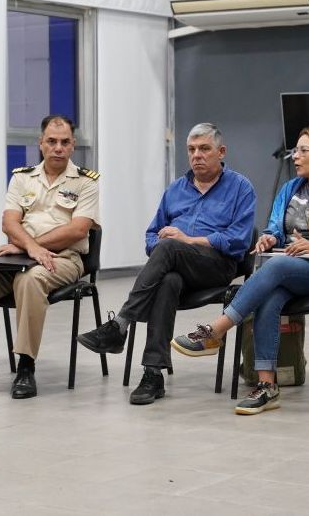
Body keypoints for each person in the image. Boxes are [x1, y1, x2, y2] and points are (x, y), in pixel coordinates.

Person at [172, 125, 309, 415]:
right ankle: (267, 386)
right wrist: (271, 237)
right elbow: (276, 228)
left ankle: (216, 330)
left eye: (303, 150)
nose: (295, 156)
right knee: (270, 296)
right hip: (292, 270)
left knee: (279, 265)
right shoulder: (290, 189)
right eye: (295, 150)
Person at [75, 123, 255, 405]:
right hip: (177, 265)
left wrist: (188, 240)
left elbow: (239, 241)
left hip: (216, 267)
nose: (197, 155)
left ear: (221, 152)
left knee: (170, 246)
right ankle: (152, 373)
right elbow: (151, 234)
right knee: (168, 280)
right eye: (192, 149)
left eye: (204, 149)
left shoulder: (241, 188)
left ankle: (119, 326)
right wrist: (161, 246)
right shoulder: (175, 190)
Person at [0, 115, 99, 399]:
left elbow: (78, 229)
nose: (57, 148)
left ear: (73, 146)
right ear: (40, 143)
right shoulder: (22, 177)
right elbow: (9, 222)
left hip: (64, 259)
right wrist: (30, 250)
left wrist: (29, 247)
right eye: (51, 141)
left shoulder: (86, 182)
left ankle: (25, 366)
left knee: (30, 279)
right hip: (20, 258)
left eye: (64, 142)